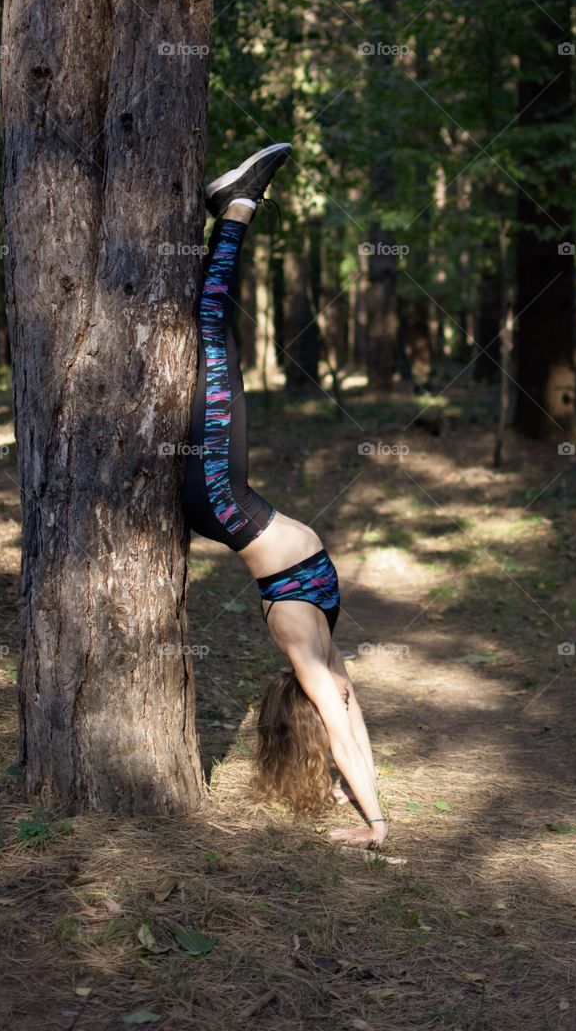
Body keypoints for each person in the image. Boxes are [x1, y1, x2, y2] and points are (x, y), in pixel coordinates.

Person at [181, 142, 387, 848]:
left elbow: (337, 716)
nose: (347, 697)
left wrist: (376, 828)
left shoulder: (298, 641)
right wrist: (358, 792)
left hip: (217, 496)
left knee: (211, 337)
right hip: (229, 496)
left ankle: (233, 207)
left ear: (307, 702)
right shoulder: (327, 659)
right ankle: (230, 209)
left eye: (331, 703)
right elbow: (349, 717)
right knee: (215, 347)